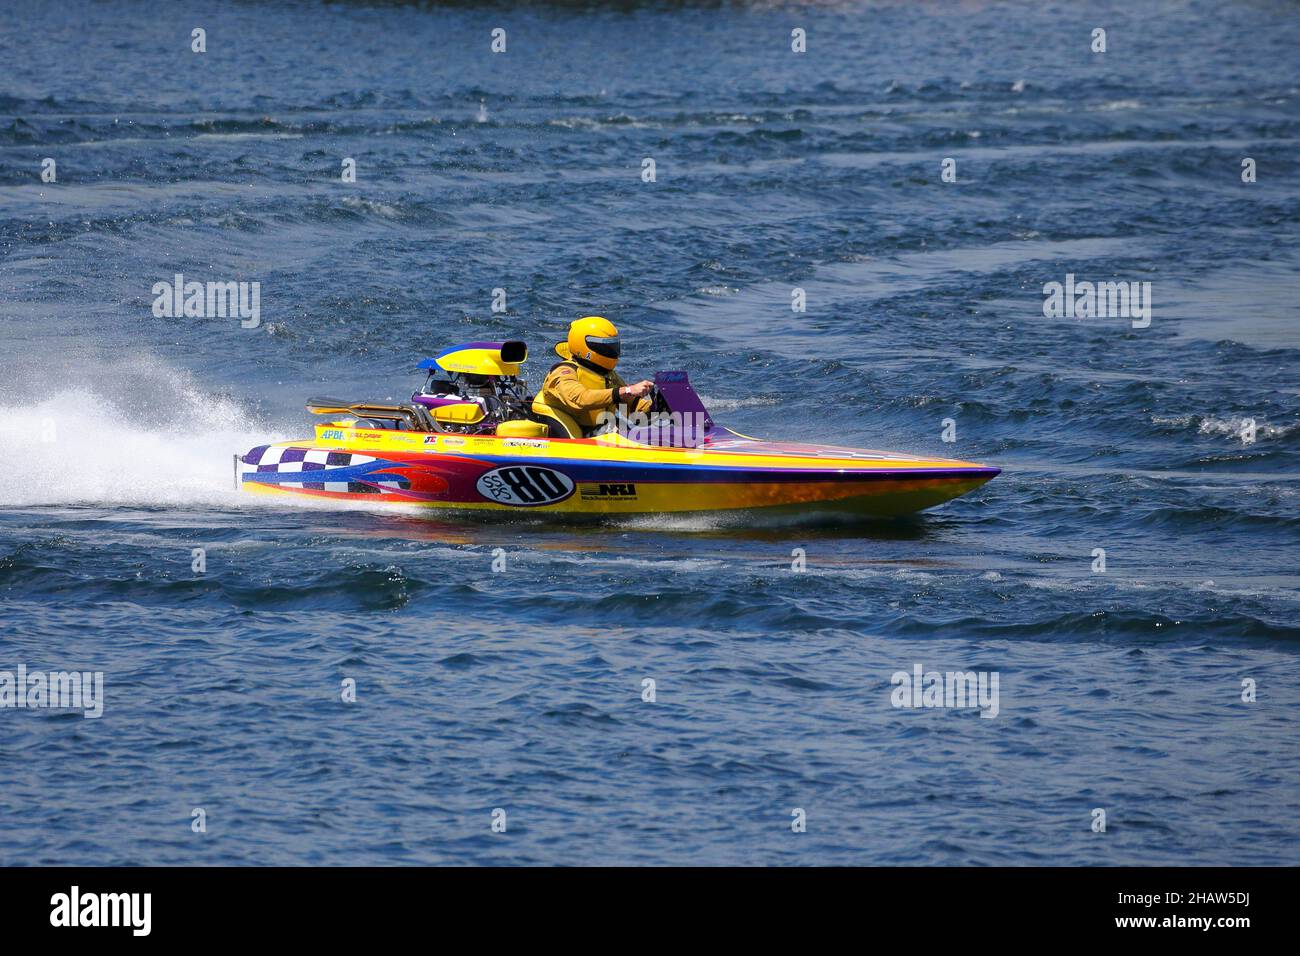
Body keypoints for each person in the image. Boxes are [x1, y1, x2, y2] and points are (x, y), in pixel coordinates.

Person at [538, 316, 654, 435]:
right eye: (605, 346)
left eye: (613, 345)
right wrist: (628, 390)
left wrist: (658, 405)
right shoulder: (563, 372)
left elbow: (634, 407)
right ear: (584, 345)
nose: (611, 349)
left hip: (597, 432)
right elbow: (580, 398)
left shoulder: (607, 374)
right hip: (572, 438)